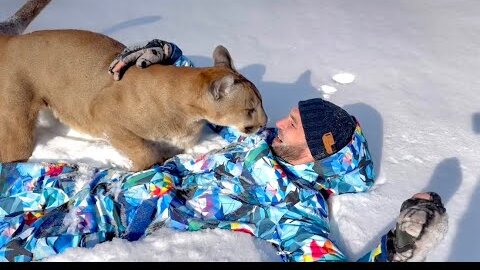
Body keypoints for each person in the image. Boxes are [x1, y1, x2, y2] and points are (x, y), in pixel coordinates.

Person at [0, 40, 448, 262]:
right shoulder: (263, 143)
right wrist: (163, 51)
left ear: (313, 154)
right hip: (96, 184)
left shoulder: (292, 210)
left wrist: (398, 245)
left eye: (292, 125)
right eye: (289, 116)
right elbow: (201, 88)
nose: (277, 124)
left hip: (105, 221)